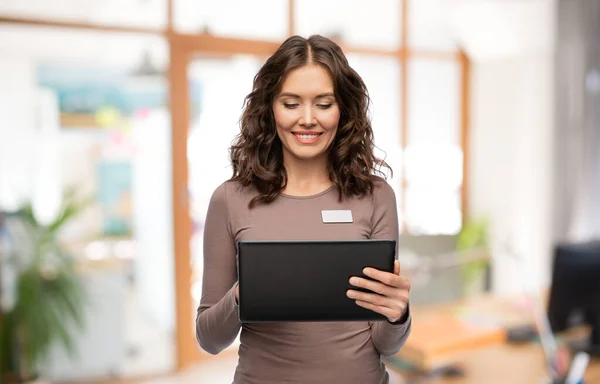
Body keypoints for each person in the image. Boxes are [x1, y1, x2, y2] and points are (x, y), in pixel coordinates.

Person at [196, 34, 412, 384]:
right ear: (270, 108)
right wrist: (242, 294)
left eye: (324, 104)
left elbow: (386, 345)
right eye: (291, 103)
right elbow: (209, 339)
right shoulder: (229, 199)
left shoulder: (377, 195)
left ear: (344, 110)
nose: (308, 119)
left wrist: (397, 315)